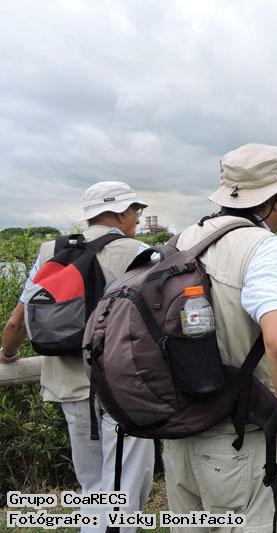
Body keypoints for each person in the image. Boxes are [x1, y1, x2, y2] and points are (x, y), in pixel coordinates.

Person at [162, 143, 277, 532]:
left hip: (179, 434)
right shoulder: (263, 247)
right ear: (274, 202)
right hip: (240, 441)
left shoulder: (181, 241)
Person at [0, 181, 154, 532]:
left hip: (69, 385)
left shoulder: (50, 251)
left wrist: (8, 354)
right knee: (126, 484)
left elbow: (17, 320)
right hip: (125, 387)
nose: (137, 218)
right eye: (136, 211)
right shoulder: (140, 252)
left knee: (92, 486)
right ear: (120, 212)